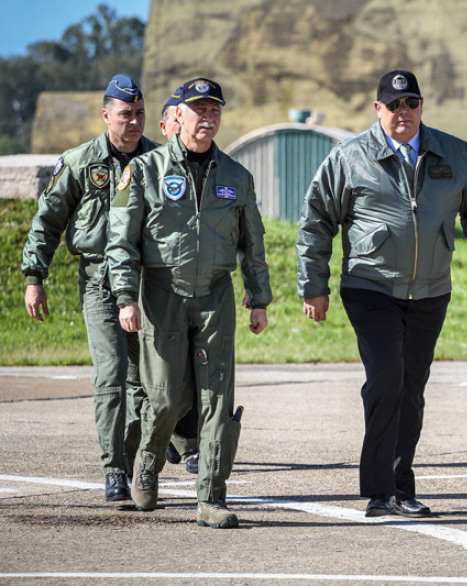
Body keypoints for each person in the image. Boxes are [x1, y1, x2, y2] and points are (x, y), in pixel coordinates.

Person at [297, 70, 467, 518]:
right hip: (369, 286)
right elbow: (316, 221)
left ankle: (400, 485)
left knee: (411, 388)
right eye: (393, 104)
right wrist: (313, 286)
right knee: (386, 381)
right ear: (378, 109)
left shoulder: (453, 152)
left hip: (430, 291)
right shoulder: (349, 156)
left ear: (421, 105)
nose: (403, 111)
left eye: (411, 102)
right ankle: (380, 490)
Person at [106, 77, 272, 528]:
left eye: (215, 110)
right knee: (166, 398)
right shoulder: (144, 170)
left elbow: (253, 243)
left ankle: (211, 498)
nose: (208, 118)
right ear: (177, 115)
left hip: (216, 294)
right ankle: (147, 462)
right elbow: (121, 240)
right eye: (199, 109)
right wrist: (126, 297)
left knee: (216, 397)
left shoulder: (237, 176)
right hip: (161, 292)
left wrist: (259, 298)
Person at [21, 74, 157, 503]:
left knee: (145, 380)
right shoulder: (81, 162)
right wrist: (34, 278)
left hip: (147, 284)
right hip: (99, 281)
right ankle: (114, 469)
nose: (134, 121)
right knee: (112, 373)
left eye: (139, 113)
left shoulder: (158, 161)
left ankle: (133, 459)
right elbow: (47, 221)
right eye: (125, 114)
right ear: (106, 115)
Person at [156, 85, 201, 475]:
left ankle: (188, 443)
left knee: (194, 367)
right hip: (153, 289)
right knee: (160, 376)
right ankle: (159, 443)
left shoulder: (210, 167)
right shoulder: (148, 169)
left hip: (198, 286)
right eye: (175, 119)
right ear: (166, 125)